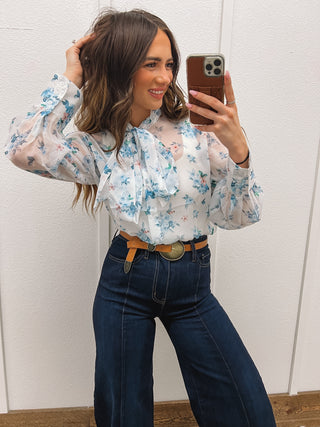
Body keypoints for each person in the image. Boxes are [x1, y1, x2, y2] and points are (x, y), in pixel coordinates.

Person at [4, 8, 276, 427]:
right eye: (151, 64)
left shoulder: (201, 131)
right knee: (123, 417)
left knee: (248, 412)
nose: (166, 77)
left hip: (193, 286)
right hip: (125, 283)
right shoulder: (98, 144)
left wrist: (240, 152)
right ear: (121, 65)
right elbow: (24, 148)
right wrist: (72, 79)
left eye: (169, 64)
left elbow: (239, 216)